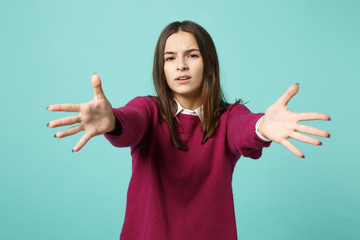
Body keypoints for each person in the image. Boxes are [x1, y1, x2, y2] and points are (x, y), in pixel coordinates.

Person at [47, 21, 331, 240]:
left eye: (191, 55)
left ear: (208, 64)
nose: (181, 65)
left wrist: (262, 127)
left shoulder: (229, 117)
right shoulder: (148, 109)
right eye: (170, 58)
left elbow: (243, 130)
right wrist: (111, 122)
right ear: (162, 68)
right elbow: (130, 122)